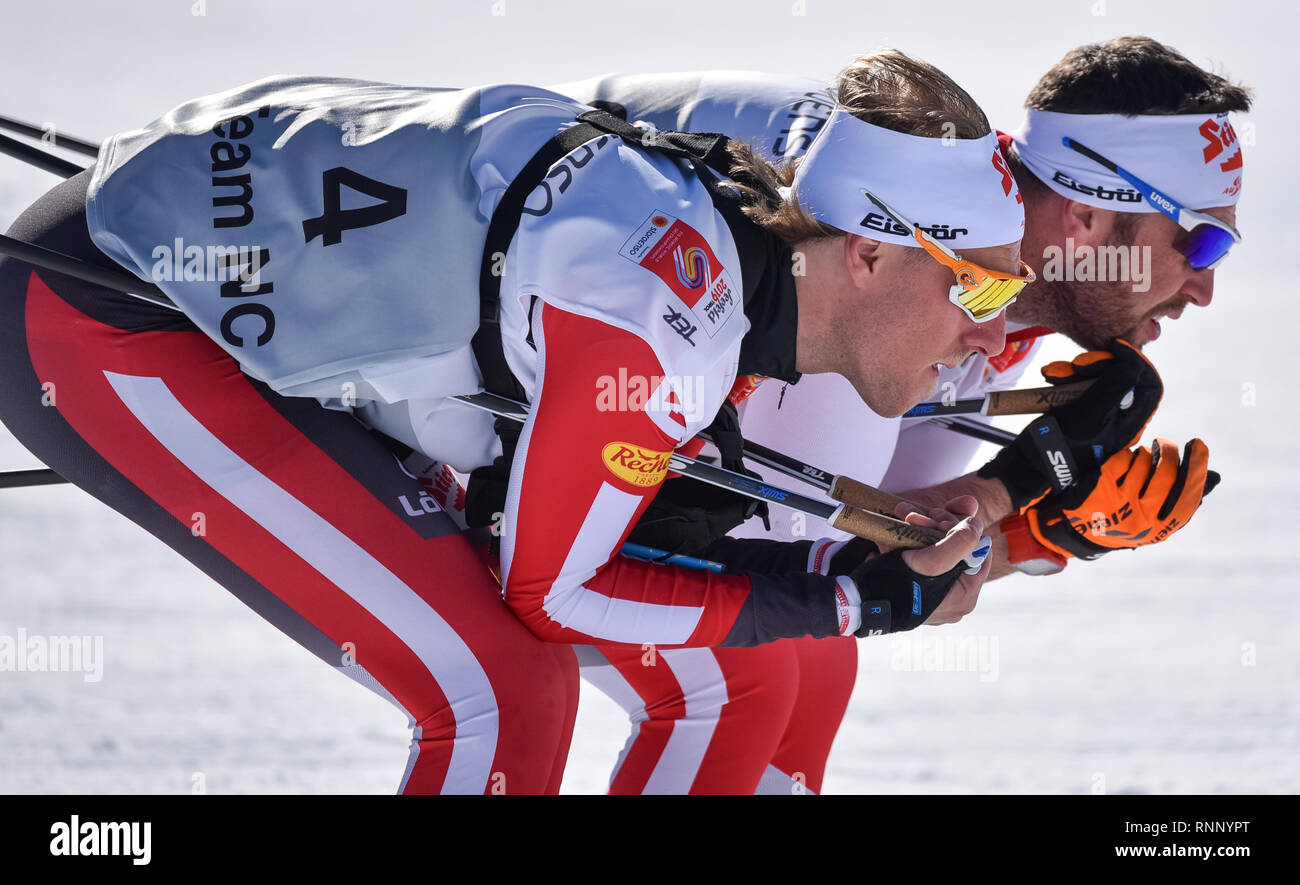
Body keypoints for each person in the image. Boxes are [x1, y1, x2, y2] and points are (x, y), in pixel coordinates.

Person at [0, 50, 1019, 793]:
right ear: (871, 256)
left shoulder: (737, 282)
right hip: (107, 313)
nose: (996, 335)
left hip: (211, 295)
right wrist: (851, 604)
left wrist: (849, 588)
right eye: (977, 291)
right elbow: (556, 595)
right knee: (500, 687)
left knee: (665, 671)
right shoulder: (666, 326)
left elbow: (623, 542)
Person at [554, 36, 1239, 793]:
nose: (1204, 288)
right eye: (1202, 241)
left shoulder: (990, 285)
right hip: (461, 370)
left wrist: (1043, 532)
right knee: (751, 678)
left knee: (813, 665)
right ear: (1083, 216)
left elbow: (885, 534)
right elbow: (800, 548)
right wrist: (1015, 525)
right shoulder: (911, 260)